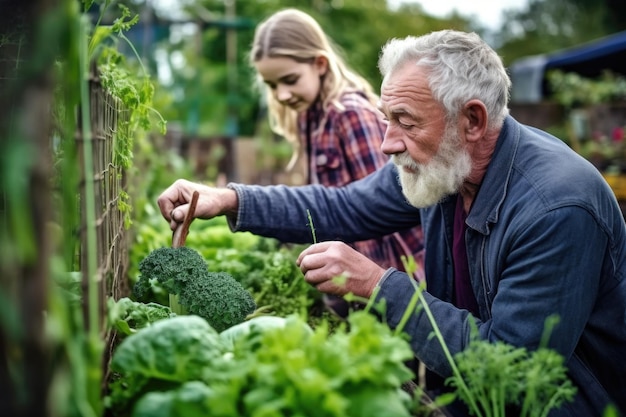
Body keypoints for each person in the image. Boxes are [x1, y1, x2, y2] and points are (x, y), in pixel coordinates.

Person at [157, 30, 626, 416]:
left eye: (404, 120)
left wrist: (380, 286)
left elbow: (514, 367)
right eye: (387, 119)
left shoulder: (556, 207)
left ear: (473, 121)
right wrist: (229, 199)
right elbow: (342, 207)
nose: (387, 143)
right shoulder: (446, 166)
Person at [248, 8, 424, 280]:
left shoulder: (350, 114)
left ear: (319, 64)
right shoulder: (311, 118)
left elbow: (376, 215)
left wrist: (373, 302)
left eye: (290, 80)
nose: (281, 94)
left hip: (392, 277)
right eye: (272, 85)